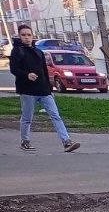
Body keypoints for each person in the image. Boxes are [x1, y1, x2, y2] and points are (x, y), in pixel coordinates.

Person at [8, 24, 80, 153]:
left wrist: (50, 89)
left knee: (56, 115)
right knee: (27, 118)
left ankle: (67, 142)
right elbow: (14, 69)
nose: (26, 38)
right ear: (19, 36)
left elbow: (44, 72)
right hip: (28, 91)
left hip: (44, 90)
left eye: (29, 35)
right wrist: (27, 75)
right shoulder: (17, 51)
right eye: (23, 35)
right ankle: (25, 141)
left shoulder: (38, 52)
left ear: (32, 36)